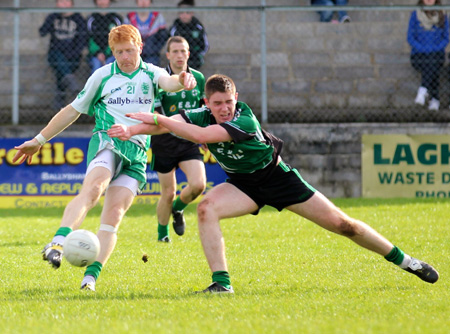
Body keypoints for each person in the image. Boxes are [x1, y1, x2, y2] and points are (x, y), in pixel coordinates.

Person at [108, 74, 439, 294]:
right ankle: (221, 284)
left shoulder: (243, 118)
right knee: (207, 207)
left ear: (236, 97)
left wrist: (156, 117)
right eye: (218, 103)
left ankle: (407, 261)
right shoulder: (202, 113)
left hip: (278, 179)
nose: (225, 108)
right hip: (242, 185)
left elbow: (200, 136)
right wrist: (132, 130)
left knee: (344, 225)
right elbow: (168, 126)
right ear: (207, 103)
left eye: (229, 101)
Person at [12, 24, 197, 292]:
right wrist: (39, 140)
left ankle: (90, 279)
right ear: (112, 51)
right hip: (108, 141)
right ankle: (57, 243)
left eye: (130, 50)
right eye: (119, 52)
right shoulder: (102, 76)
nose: (125, 57)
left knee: (114, 215)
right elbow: (71, 111)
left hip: (136, 153)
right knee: (93, 190)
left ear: (140, 48)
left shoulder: (151, 73)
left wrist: (181, 79)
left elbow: (168, 82)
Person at [152, 36, 206, 242]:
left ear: (189, 54)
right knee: (168, 192)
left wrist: (206, 135)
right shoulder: (161, 79)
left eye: (183, 51)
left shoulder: (199, 78)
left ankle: (178, 208)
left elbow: (204, 109)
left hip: (189, 139)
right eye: (175, 51)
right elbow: (156, 112)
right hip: (164, 140)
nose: (179, 55)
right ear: (168, 55)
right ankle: (162, 235)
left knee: (198, 185)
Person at [39, 0, 88, 110]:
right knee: (57, 56)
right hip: (55, 55)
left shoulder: (78, 19)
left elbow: (82, 41)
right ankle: (71, 86)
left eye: (66, 2)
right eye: (60, 2)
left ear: (72, 4)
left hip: (72, 56)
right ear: (57, 4)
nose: (63, 5)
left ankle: (60, 103)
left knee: (61, 74)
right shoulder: (53, 17)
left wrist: (72, 54)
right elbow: (42, 32)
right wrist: (52, 18)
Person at [407, 0, 449, 111]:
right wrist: (422, 48)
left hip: (436, 53)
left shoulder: (443, 15)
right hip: (419, 54)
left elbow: (446, 38)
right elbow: (410, 37)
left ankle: (423, 90)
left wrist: (435, 48)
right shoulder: (415, 15)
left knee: (433, 61)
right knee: (430, 63)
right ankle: (434, 98)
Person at [124, 0, 168, 66]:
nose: (143, 2)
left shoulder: (157, 17)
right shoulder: (129, 17)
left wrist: (154, 49)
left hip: (152, 55)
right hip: (133, 53)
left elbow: (163, 36)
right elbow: (125, 35)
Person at [169, 0, 209, 69]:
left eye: (187, 12)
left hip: (195, 59)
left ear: (192, 13)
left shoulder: (198, 27)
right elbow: (170, 45)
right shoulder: (175, 27)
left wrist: (197, 54)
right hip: (178, 58)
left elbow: (205, 45)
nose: (184, 15)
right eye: (181, 12)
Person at [86, 0, 123, 73]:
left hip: (113, 54)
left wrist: (107, 53)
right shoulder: (91, 19)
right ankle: (96, 84)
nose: (102, 1)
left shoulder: (116, 19)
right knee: (96, 65)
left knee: (110, 65)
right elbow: (88, 39)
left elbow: (119, 39)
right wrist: (98, 53)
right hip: (95, 55)